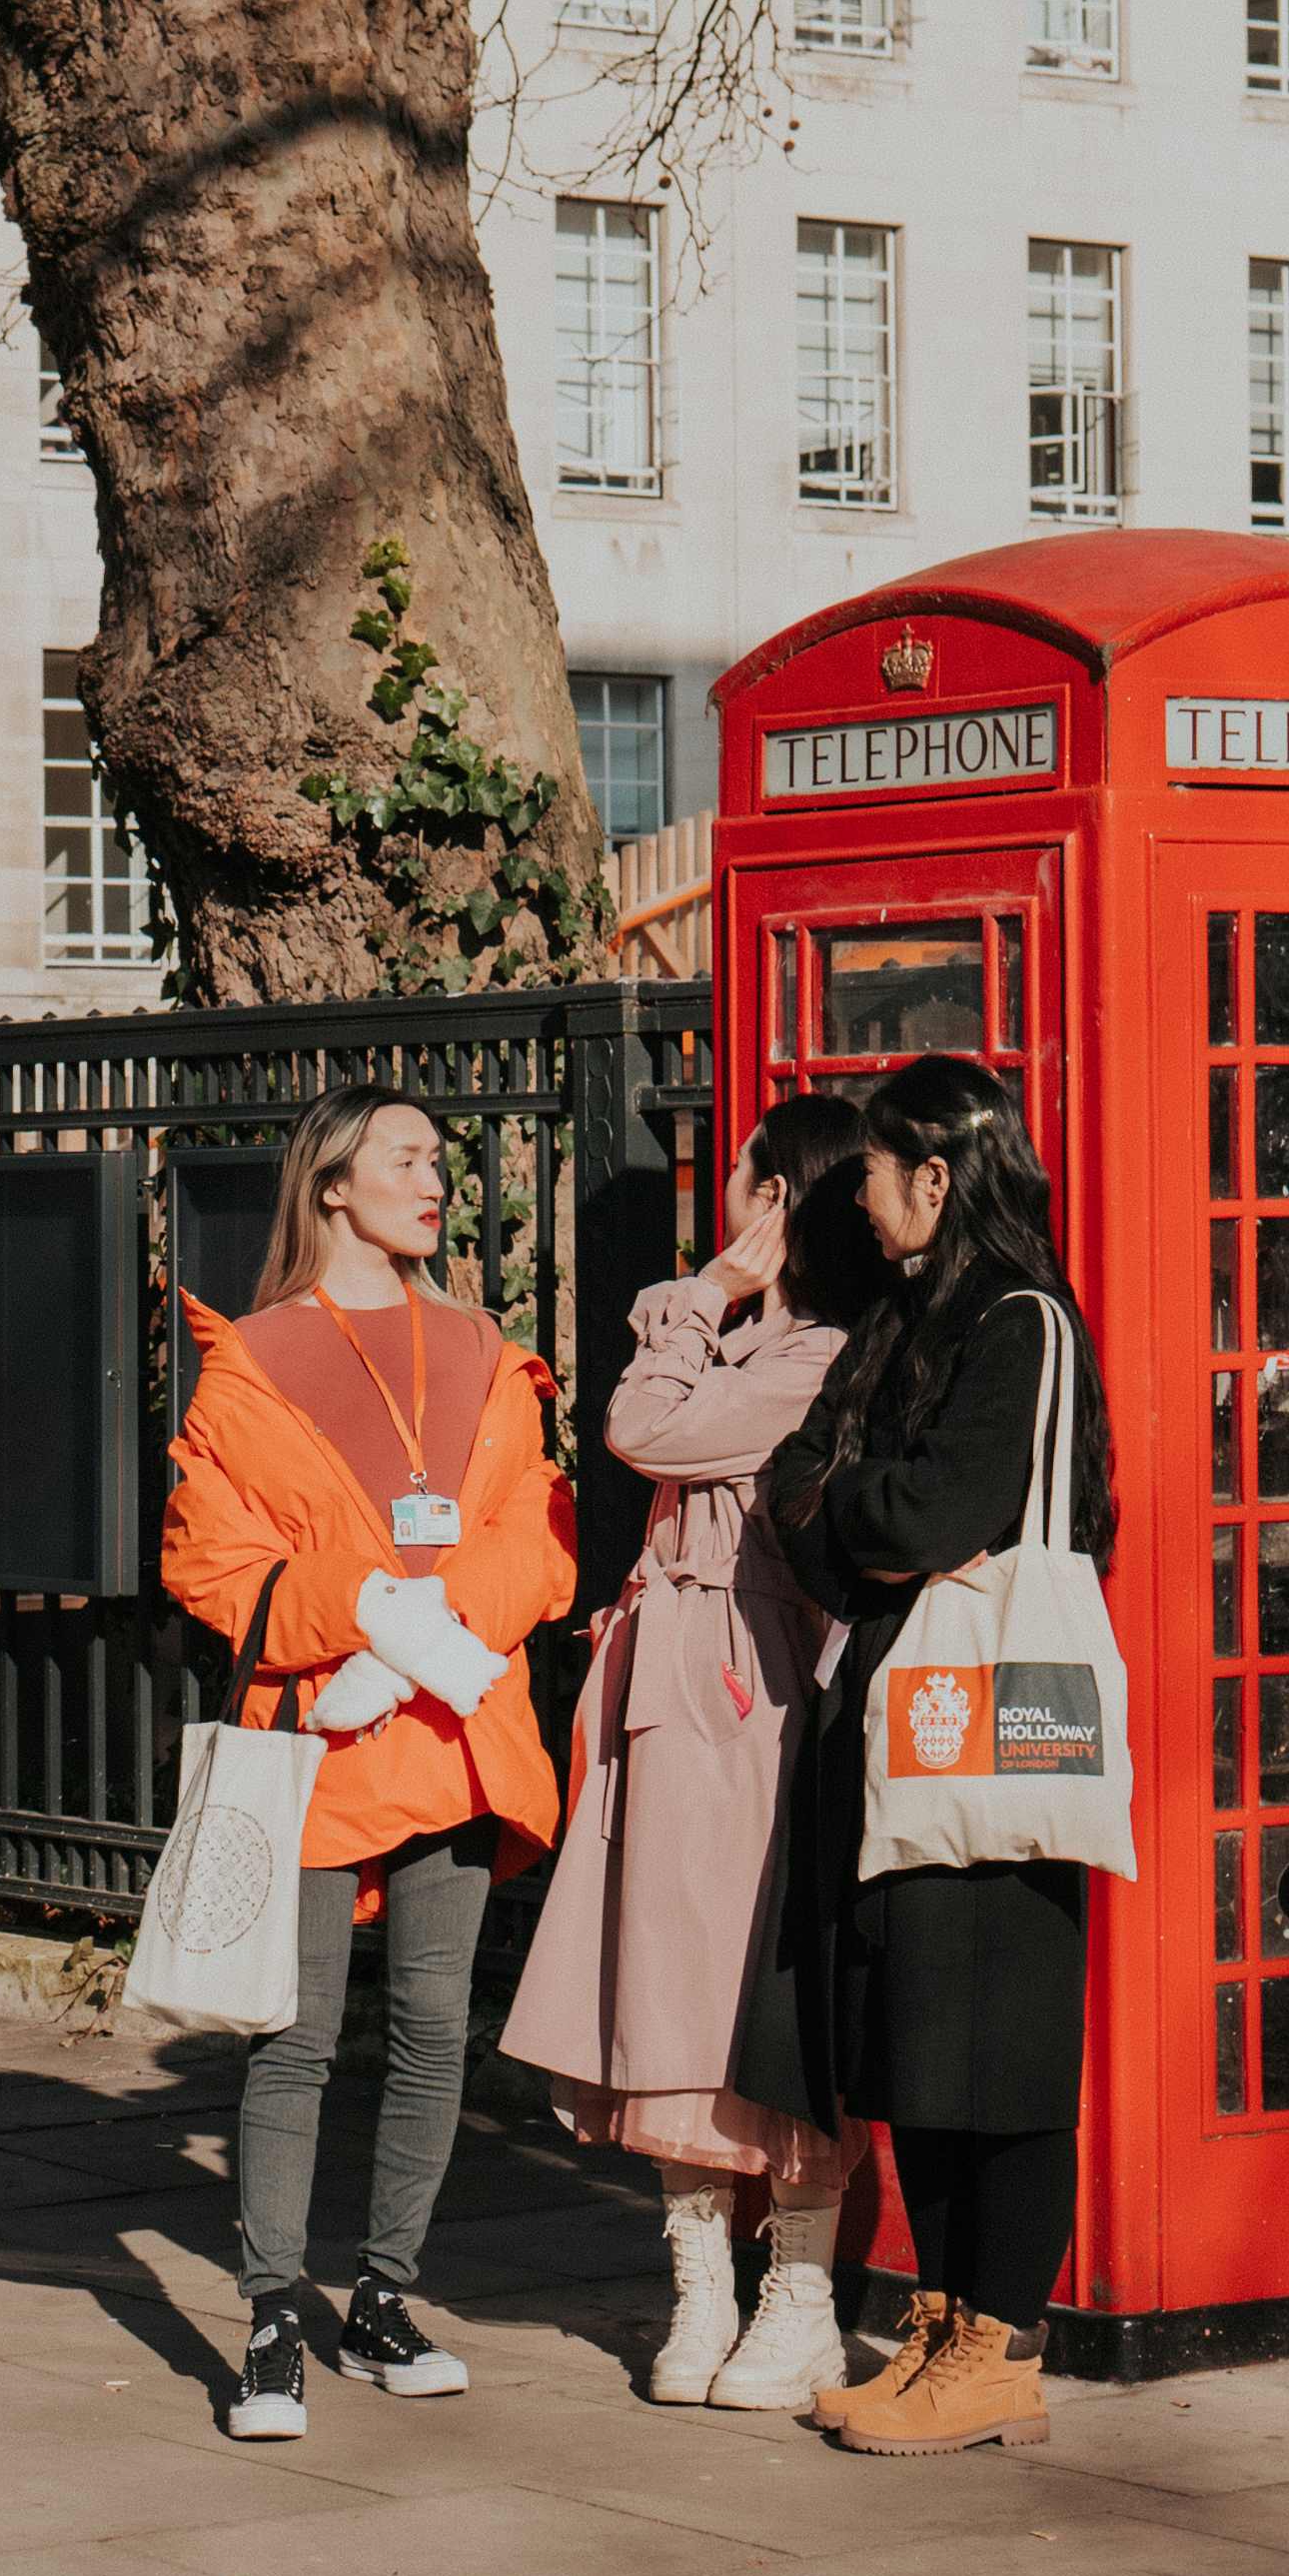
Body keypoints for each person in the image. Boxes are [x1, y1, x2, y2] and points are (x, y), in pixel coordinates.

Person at [156, 1087, 576, 2445]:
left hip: (452, 1732)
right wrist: (367, 1613)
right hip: (322, 1740)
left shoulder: (481, 1345)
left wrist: (434, 1625)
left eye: (438, 1163)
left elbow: (540, 1532)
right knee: (298, 2035)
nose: (433, 1178)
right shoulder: (254, 1359)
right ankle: (275, 2316)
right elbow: (211, 1558)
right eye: (405, 1156)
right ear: (331, 1184)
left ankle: (385, 2297)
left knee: (436, 2028)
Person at [761, 1051, 1108, 2457]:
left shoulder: (1022, 1321)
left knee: (1003, 2042)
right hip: (902, 1709)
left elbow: (931, 1511)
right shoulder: (909, 1318)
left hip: (994, 1709)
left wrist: (847, 1501)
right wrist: (848, 1502)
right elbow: (799, 1479)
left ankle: (1005, 2336)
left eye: (877, 1171)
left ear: (938, 1175)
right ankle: (947, 2313)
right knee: (918, 2033)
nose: (860, 1195)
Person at [507, 1088, 873, 2408]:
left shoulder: (817, 1352)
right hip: (672, 1689)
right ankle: (700, 2281)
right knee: (664, 1981)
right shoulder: (747, 1343)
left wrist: (705, 1288)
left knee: (763, 1988)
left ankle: (805, 2293)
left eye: (747, 1183)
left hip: (755, 1696)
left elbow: (640, 1426)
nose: (725, 1204)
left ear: (784, 1200)